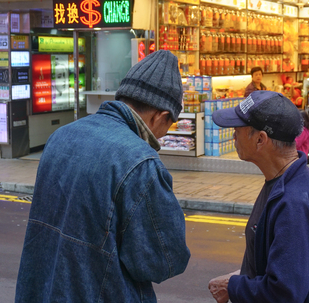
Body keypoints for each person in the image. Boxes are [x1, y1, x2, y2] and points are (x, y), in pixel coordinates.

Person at [15, 50, 191, 302]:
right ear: (160, 116)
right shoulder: (141, 162)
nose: (163, 134)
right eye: (169, 125)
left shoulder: (59, 137)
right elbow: (162, 261)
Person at [208, 91, 309, 303]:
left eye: (238, 130)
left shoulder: (292, 201)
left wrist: (232, 286)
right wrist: (242, 275)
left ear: (260, 140)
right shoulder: (285, 180)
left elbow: (284, 292)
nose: (233, 136)